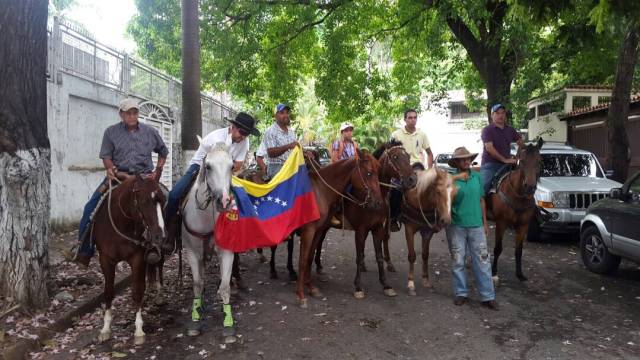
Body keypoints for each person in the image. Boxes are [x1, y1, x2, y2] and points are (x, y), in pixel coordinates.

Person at [74, 98, 169, 267]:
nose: (132, 116)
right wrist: (110, 169)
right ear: (121, 114)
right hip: (119, 177)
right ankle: (84, 251)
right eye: (128, 113)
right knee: (91, 207)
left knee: (165, 202)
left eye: (135, 113)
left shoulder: (150, 132)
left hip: (145, 179)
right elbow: (106, 156)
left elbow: (163, 151)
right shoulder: (111, 132)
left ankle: (164, 244)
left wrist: (158, 171)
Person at [163, 112, 260, 253]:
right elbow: (210, 163)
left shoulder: (244, 141)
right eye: (242, 132)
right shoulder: (214, 138)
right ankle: (170, 234)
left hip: (227, 171)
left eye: (247, 134)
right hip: (201, 166)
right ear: (232, 127)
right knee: (174, 195)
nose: (243, 136)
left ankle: (242, 236)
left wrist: (225, 168)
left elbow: (238, 165)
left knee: (245, 199)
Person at [446, 146, 498, 310]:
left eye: (468, 158)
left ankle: (488, 296)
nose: (466, 161)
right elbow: (444, 200)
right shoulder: (451, 179)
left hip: (476, 225)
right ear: (456, 162)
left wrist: (485, 223)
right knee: (458, 260)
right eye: (462, 159)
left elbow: (482, 200)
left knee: (482, 260)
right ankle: (461, 293)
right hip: (456, 226)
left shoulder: (477, 177)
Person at [389, 109, 433, 231]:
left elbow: (429, 153)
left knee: (435, 187)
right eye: (410, 117)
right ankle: (393, 218)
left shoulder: (422, 134)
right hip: (402, 169)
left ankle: (435, 217)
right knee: (395, 190)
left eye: (414, 117)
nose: (412, 120)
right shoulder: (396, 134)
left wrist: (430, 170)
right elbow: (391, 155)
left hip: (418, 167)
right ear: (405, 119)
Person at [480, 103, 524, 195]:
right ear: (492, 115)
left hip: (507, 166)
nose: (501, 115)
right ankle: (476, 208)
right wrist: (505, 160)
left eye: (503, 113)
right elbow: (489, 148)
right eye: (497, 113)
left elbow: (522, 144)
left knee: (524, 184)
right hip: (490, 165)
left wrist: (517, 157)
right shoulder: (487, 130)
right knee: (482, 188)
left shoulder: (510, 130)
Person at [264, 103, 298, 179]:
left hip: (291, 166)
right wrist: (288, 146)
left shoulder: (291, 131)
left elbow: (295, 148)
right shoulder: (270, 131)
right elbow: (271, 153)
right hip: (277, 168)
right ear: (276, 116)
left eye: (287, 113)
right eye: (282, 113)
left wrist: (306, 153)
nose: (285, 115)